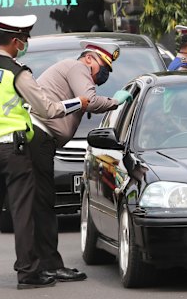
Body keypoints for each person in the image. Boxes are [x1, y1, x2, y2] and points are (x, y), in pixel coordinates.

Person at [0, 14, 89, 290]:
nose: (26, 43)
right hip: (13, 151)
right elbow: (48, 109)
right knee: (23, 211)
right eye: (25, 39)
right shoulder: (17, 72)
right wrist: (79, 102)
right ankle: (28, 273)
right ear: (16, 41)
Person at [29, 40, 133, 282]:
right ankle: (45, 265)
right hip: (39, 138)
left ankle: (39, 264)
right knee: (43, 205)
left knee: (40, 205)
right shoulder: (78, 68)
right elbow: (90, 100)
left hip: (42, 140)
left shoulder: (74, 70)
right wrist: (115, 102)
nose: (103, 74)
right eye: (102, 67)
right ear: (89, 59)